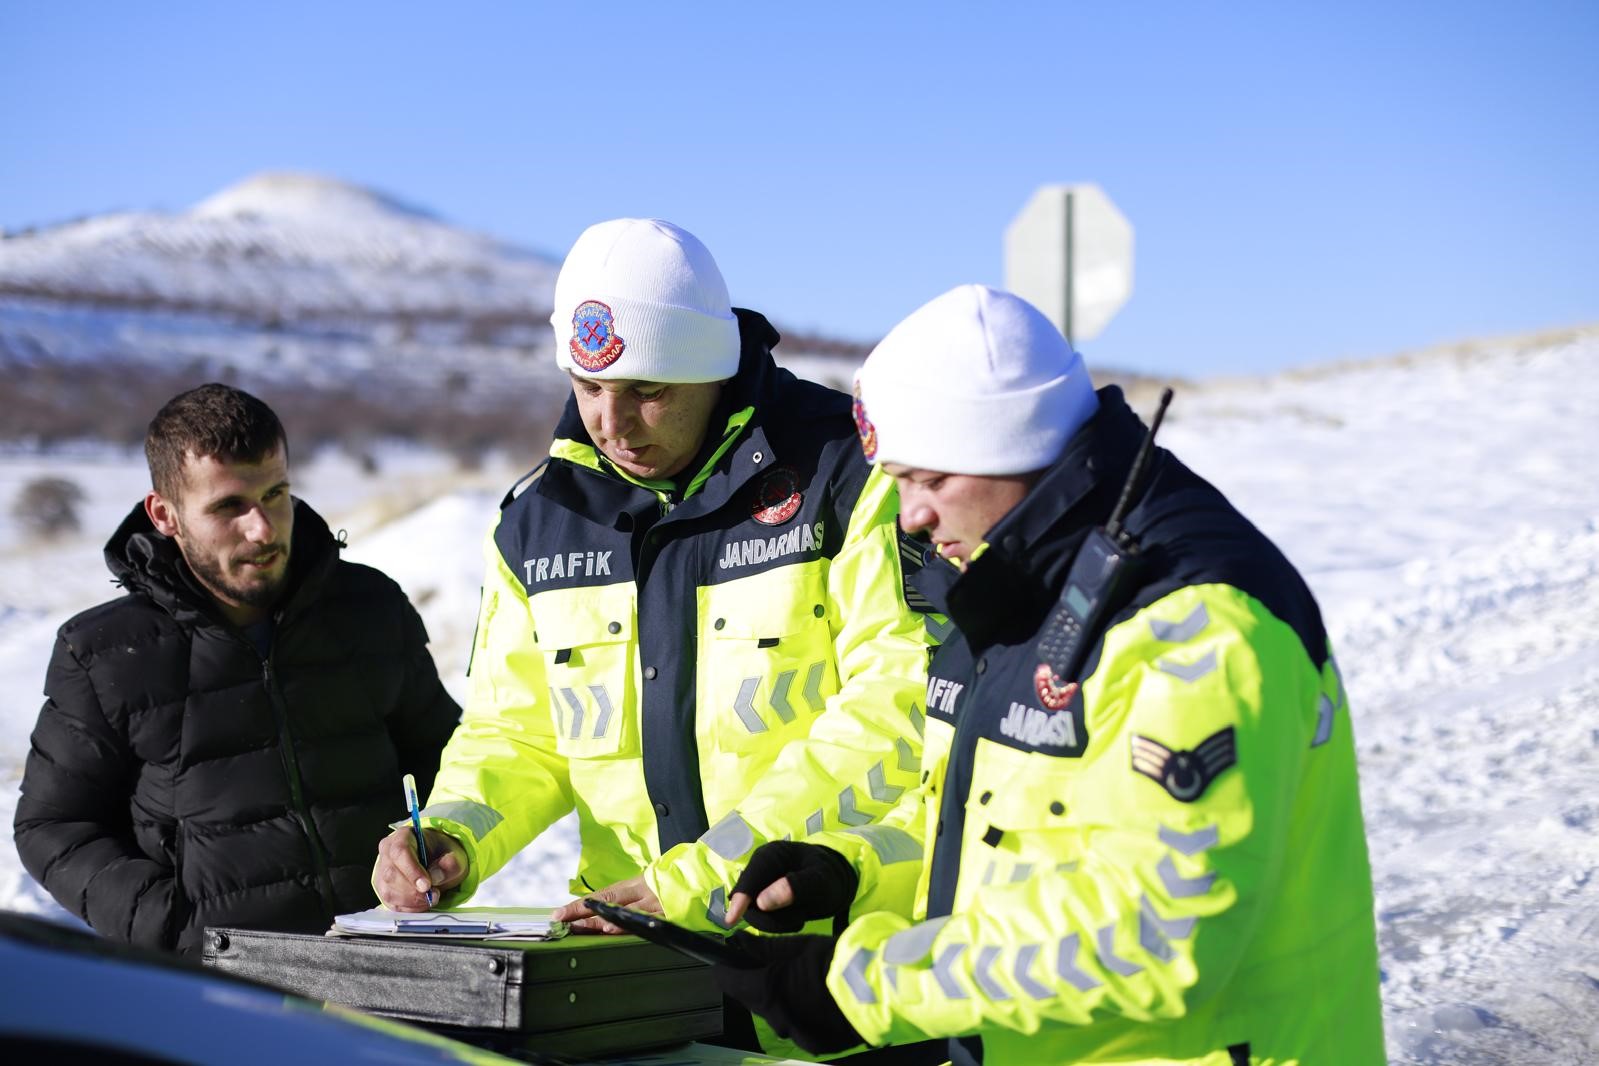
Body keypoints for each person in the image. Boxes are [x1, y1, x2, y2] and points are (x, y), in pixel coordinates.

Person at [714, 285, 1386, 1064]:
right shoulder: (1011, 590)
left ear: (1010, 448)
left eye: (928, 479)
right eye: (896, 483)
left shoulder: (1196, 619)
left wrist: (868, 989)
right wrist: (849, 871)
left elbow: (1162, 928)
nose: (909, 518)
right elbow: (986, 835)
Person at [370, 219, 932, 950]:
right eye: (589, 385)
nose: (611, 422)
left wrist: (712, 871)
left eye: (648, 390)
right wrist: (453, 834)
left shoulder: (847, 476)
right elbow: (515, 730)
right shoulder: (539, 523)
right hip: (627, 956)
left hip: (825, 950)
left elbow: (895, 709)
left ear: (713, 368)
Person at [14, 384, 461, 956]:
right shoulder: (102, 652)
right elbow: (53, 827)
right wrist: (176, 928)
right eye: (228, 506)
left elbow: (447, 761)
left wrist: (434, 856)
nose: (263, 528)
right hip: (225, 997)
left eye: (276, 494)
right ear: (165, 515)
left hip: (397, 964)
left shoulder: (370, 607)